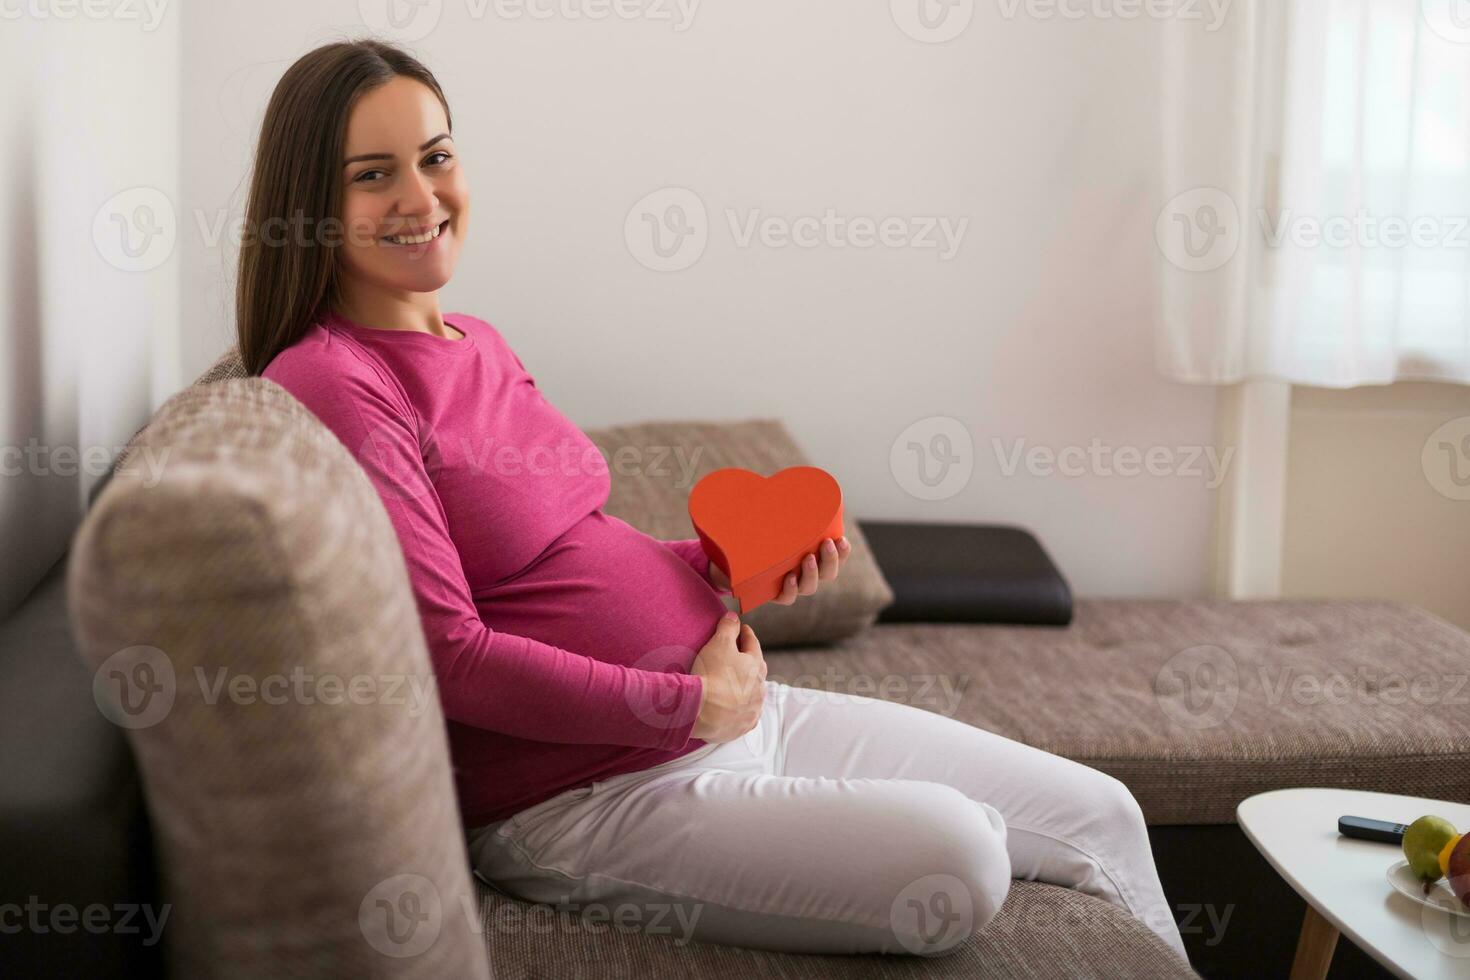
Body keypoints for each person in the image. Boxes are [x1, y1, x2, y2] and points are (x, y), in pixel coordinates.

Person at [244, 38, 1188, 961]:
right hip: (589, 797)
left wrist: (726, 567)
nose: (422, 197)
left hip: (737, 711)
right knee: (966, 857)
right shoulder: (334, 380)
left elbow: (578, 545)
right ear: (310, 205)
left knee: (1102, 810)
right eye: (374, 175)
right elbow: (449, 656)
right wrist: (682, 706)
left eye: (437, 156)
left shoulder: (476, 337)